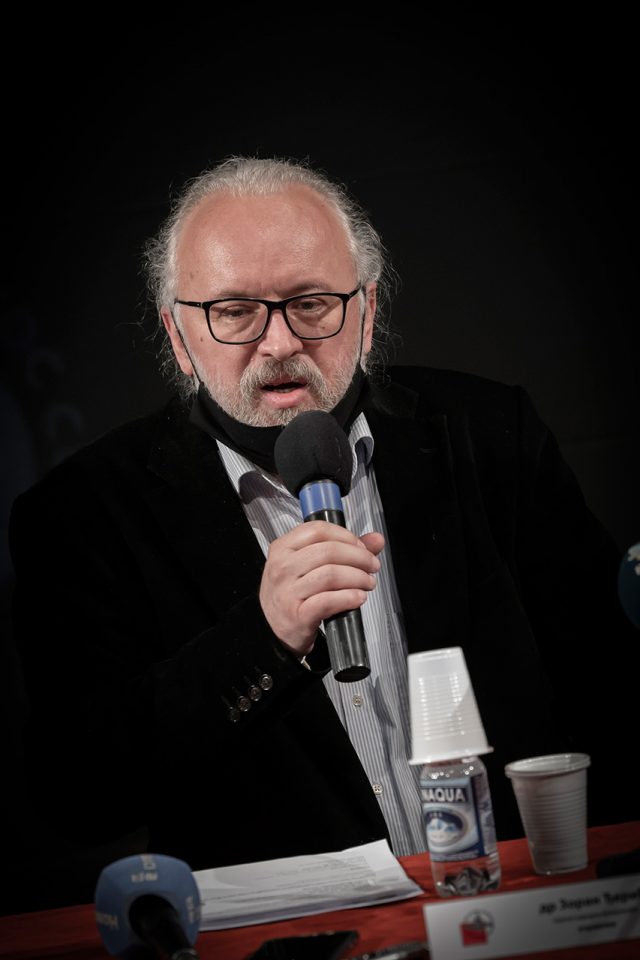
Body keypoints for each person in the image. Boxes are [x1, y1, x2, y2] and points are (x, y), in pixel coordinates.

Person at [9, 157, 635, 900]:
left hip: (514, 905)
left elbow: (612, 687)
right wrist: (264, 638)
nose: (279, 344)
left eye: (310, 303)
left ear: (367, 312)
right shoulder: (83, 512)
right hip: (290, 937)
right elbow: (79, 795)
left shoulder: (492, 435)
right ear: (178, 335)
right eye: (234, 311)